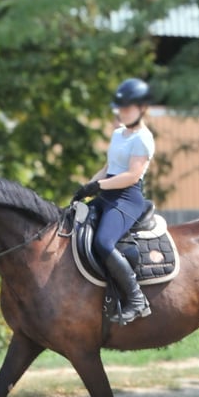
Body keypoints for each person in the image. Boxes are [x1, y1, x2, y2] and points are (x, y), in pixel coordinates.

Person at [72, 77, 154, 324]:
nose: (122, 112)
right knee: (71, 224)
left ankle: (137, 299)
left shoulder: (143, 138)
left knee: (104, 243)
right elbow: (109, 167)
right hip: (106, 193)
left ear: (141, 108)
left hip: (127, 199)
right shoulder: (119, 134)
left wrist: (99, 186)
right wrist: (86, 188)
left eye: (127, 107)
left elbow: (131, 176)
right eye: (120, 107)